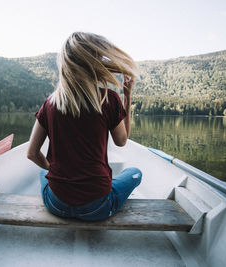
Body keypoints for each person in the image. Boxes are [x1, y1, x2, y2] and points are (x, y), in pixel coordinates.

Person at [27, 32, 142, 221]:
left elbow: (32, 153)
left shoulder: (50, 103)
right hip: (96, 207)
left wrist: (55, 172)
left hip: (57, 204)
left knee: (43, 171)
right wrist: (127, 97)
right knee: (135, 173)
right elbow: (121, 141)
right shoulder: (108, 99)